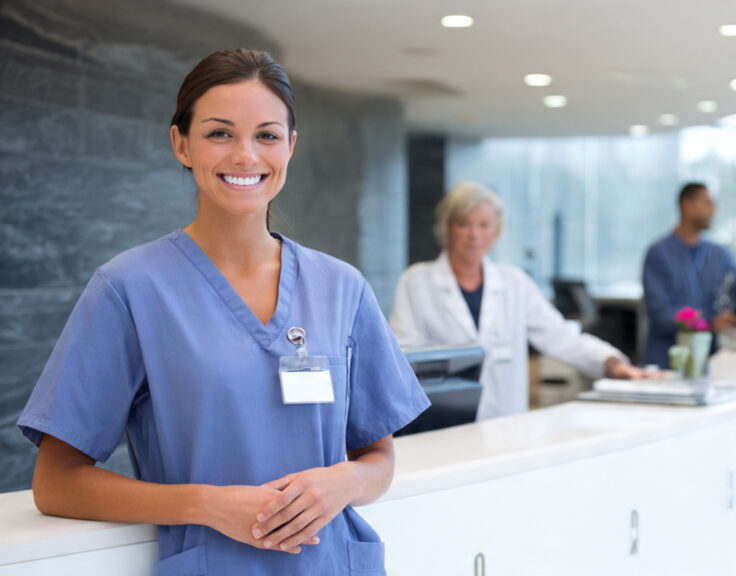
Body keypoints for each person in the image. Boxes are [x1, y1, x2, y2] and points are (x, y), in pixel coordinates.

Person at [17, 49, 429, 575]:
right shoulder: (129, 288)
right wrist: (204, 505)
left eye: (267, 135)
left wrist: (344, 481)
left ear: (291, 146)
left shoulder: (341, 287)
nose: (245, 155)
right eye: (219, 133)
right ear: (180, 144)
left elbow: (378, 458)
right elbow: (56, 482)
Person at [388, 181, 647, 421]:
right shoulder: (416, 282)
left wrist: (611, 363)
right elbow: (401, 355)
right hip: (441, 423)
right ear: (446, 227)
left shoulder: (514, 282)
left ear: (496, 230)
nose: (474, 234)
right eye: (464, 223)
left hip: (505, 424)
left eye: (484, 224)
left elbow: (562, 338)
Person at [641, 182, 736, 368]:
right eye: (707, 204)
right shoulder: (659, 253)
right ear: (686, 206)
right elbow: (660, 313)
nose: (713, 212)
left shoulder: (720, 255)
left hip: (708, 361)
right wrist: (709, 322)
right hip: (667, 362)